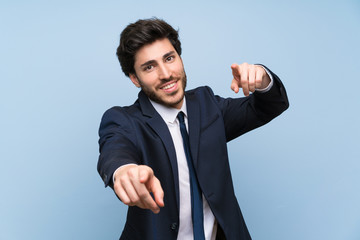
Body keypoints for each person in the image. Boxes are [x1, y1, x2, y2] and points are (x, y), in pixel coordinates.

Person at [97, 18, 289, 240]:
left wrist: (262, 78)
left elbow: (270, 106)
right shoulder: (124, 120)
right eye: (149, 67)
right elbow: (114, 149)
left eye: (169, 59)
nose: (166, 74)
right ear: (134, 78)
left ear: (179, 58)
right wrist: (123, 171)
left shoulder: (208, 105)